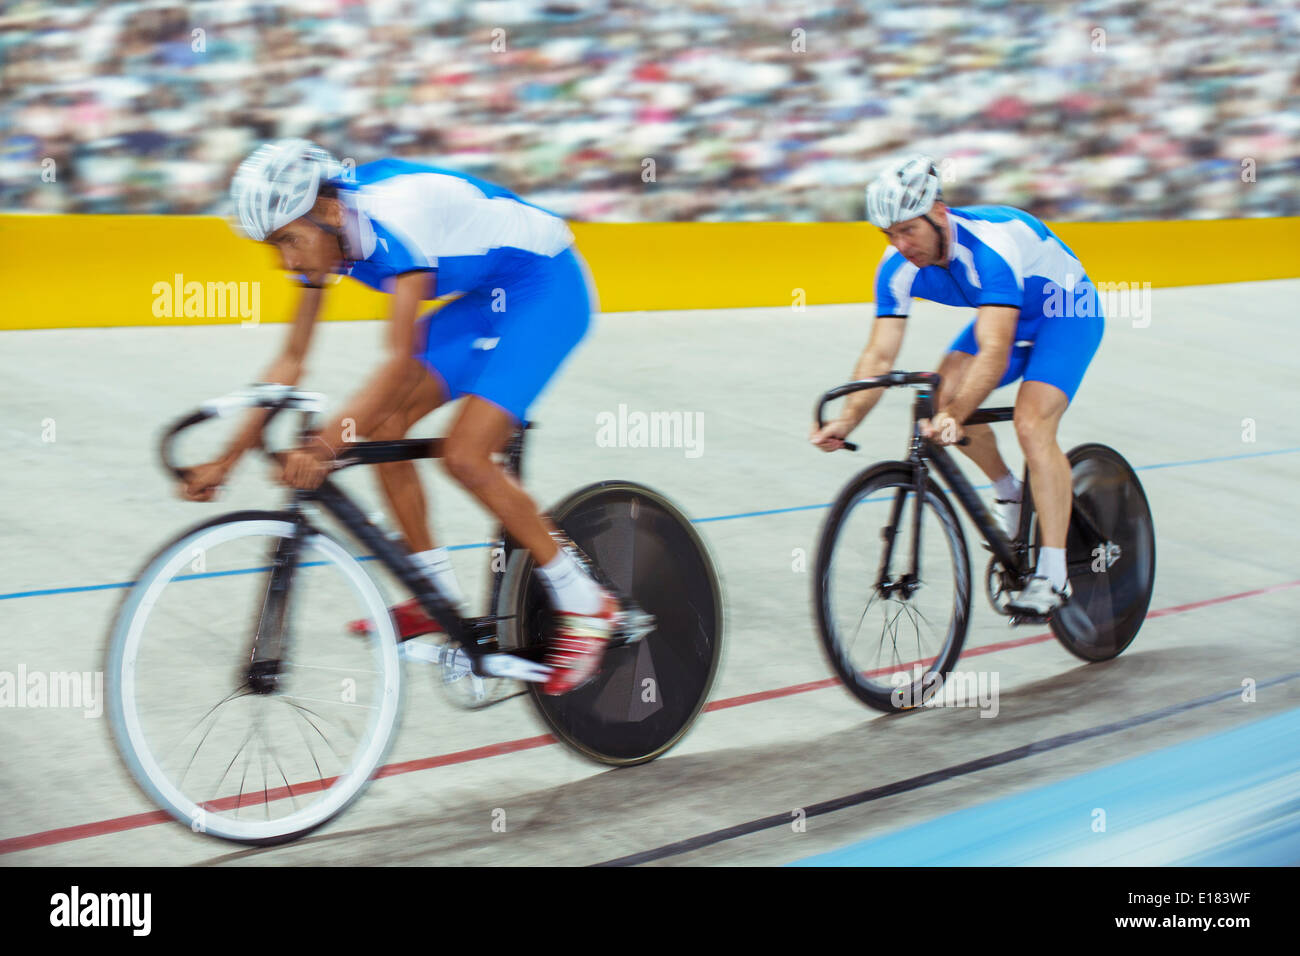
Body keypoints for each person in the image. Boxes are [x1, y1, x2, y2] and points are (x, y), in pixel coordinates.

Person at [180, 138, 614, 694]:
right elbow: (291, 361)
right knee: (381, 425)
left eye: (289, 240)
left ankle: (585, 602)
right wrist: (227, 459)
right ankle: (433, 597)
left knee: (465, 455)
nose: (288, 262)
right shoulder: (327, 233)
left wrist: (325, 447)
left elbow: (398, 362)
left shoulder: (396, 216)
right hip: (489, 293)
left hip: (547, 286)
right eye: (275, 248)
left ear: (331, 210)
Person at [809, 155, 1105, 615]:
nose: (900, 244)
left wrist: (956, 416)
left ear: (940, 214)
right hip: (1002, 315)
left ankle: (1054, 576)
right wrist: (847, 419)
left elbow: (995, 350)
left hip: (1065, 313)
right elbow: (880, 354)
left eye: (909, 230)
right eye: (889, 235)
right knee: (938, 396)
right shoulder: (896, 267)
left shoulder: (991, 249)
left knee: (1031, 424)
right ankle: (1010, 492)